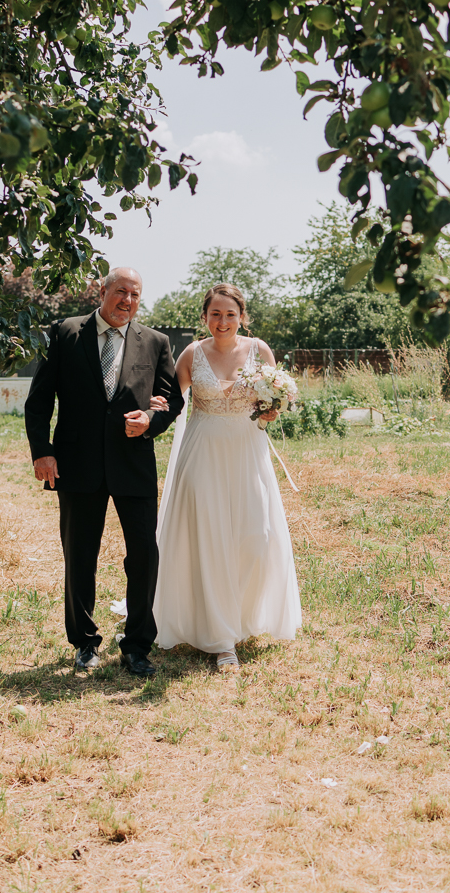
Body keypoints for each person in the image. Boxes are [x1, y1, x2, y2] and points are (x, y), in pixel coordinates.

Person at [24, 267, 184, 678]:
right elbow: (39, 400)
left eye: (135, 294)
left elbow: (171, 399)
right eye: (121, 291)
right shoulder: (65, 333)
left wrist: (150, 420)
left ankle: (137, 646)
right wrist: (42, 452)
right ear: (103, 291)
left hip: (133, 463)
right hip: (77, 464)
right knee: (80, 555)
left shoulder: (156, 342)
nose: (127, 300)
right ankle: (84, 643)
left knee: (144, 555)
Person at [151, 283, 301, 672]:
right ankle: (221, 639)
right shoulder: (191, 354)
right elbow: (170, 400)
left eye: (230, 314)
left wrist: (272, 410)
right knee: (210, 540)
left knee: (256, 537)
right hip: (202, 454)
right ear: (205, 317)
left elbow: (271, 403)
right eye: (215, 314)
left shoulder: (259, 350)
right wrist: (147, 410)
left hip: (248, 454)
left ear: (242, 317)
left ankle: (243, 616)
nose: (222, 321)